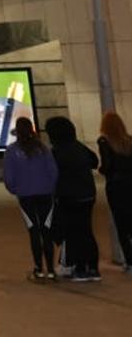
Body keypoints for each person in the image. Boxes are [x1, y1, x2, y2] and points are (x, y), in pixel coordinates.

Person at [2, 118, 58, 280]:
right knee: (46, 230)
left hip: (25, 195)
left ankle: (38, 268)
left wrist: (15, 189)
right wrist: (50, 187)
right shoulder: (43, 149)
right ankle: (51, 269)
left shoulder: (12, 151)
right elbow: (53, 171)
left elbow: (9, 175)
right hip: (45, 194)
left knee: (33, 230)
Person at [45, 116, 100, 281]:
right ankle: (93, 268)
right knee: (86, 230)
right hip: (88, 195)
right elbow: (94, 161)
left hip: (69, 197)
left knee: (74, 232)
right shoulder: (79, 147)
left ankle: (80, 268)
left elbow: (52, 176)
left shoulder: (56, 152)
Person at [97, 111, 132, 270]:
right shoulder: (129, 140)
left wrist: (101, 170)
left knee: (121, 224)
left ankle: (129, 260)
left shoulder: (104, 142)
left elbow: (107, 166)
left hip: (116, 186)